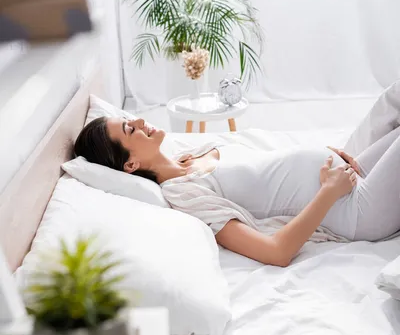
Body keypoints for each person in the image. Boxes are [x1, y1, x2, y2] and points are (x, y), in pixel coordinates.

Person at [74, 116, 400, 267]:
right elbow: (275, 252)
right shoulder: (184, 195)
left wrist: (326, 157)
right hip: (356, 212)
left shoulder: (189, 154)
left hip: (351, 177)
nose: (140, 120)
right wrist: (329, 191)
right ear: (129, 165)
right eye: (130, 129)